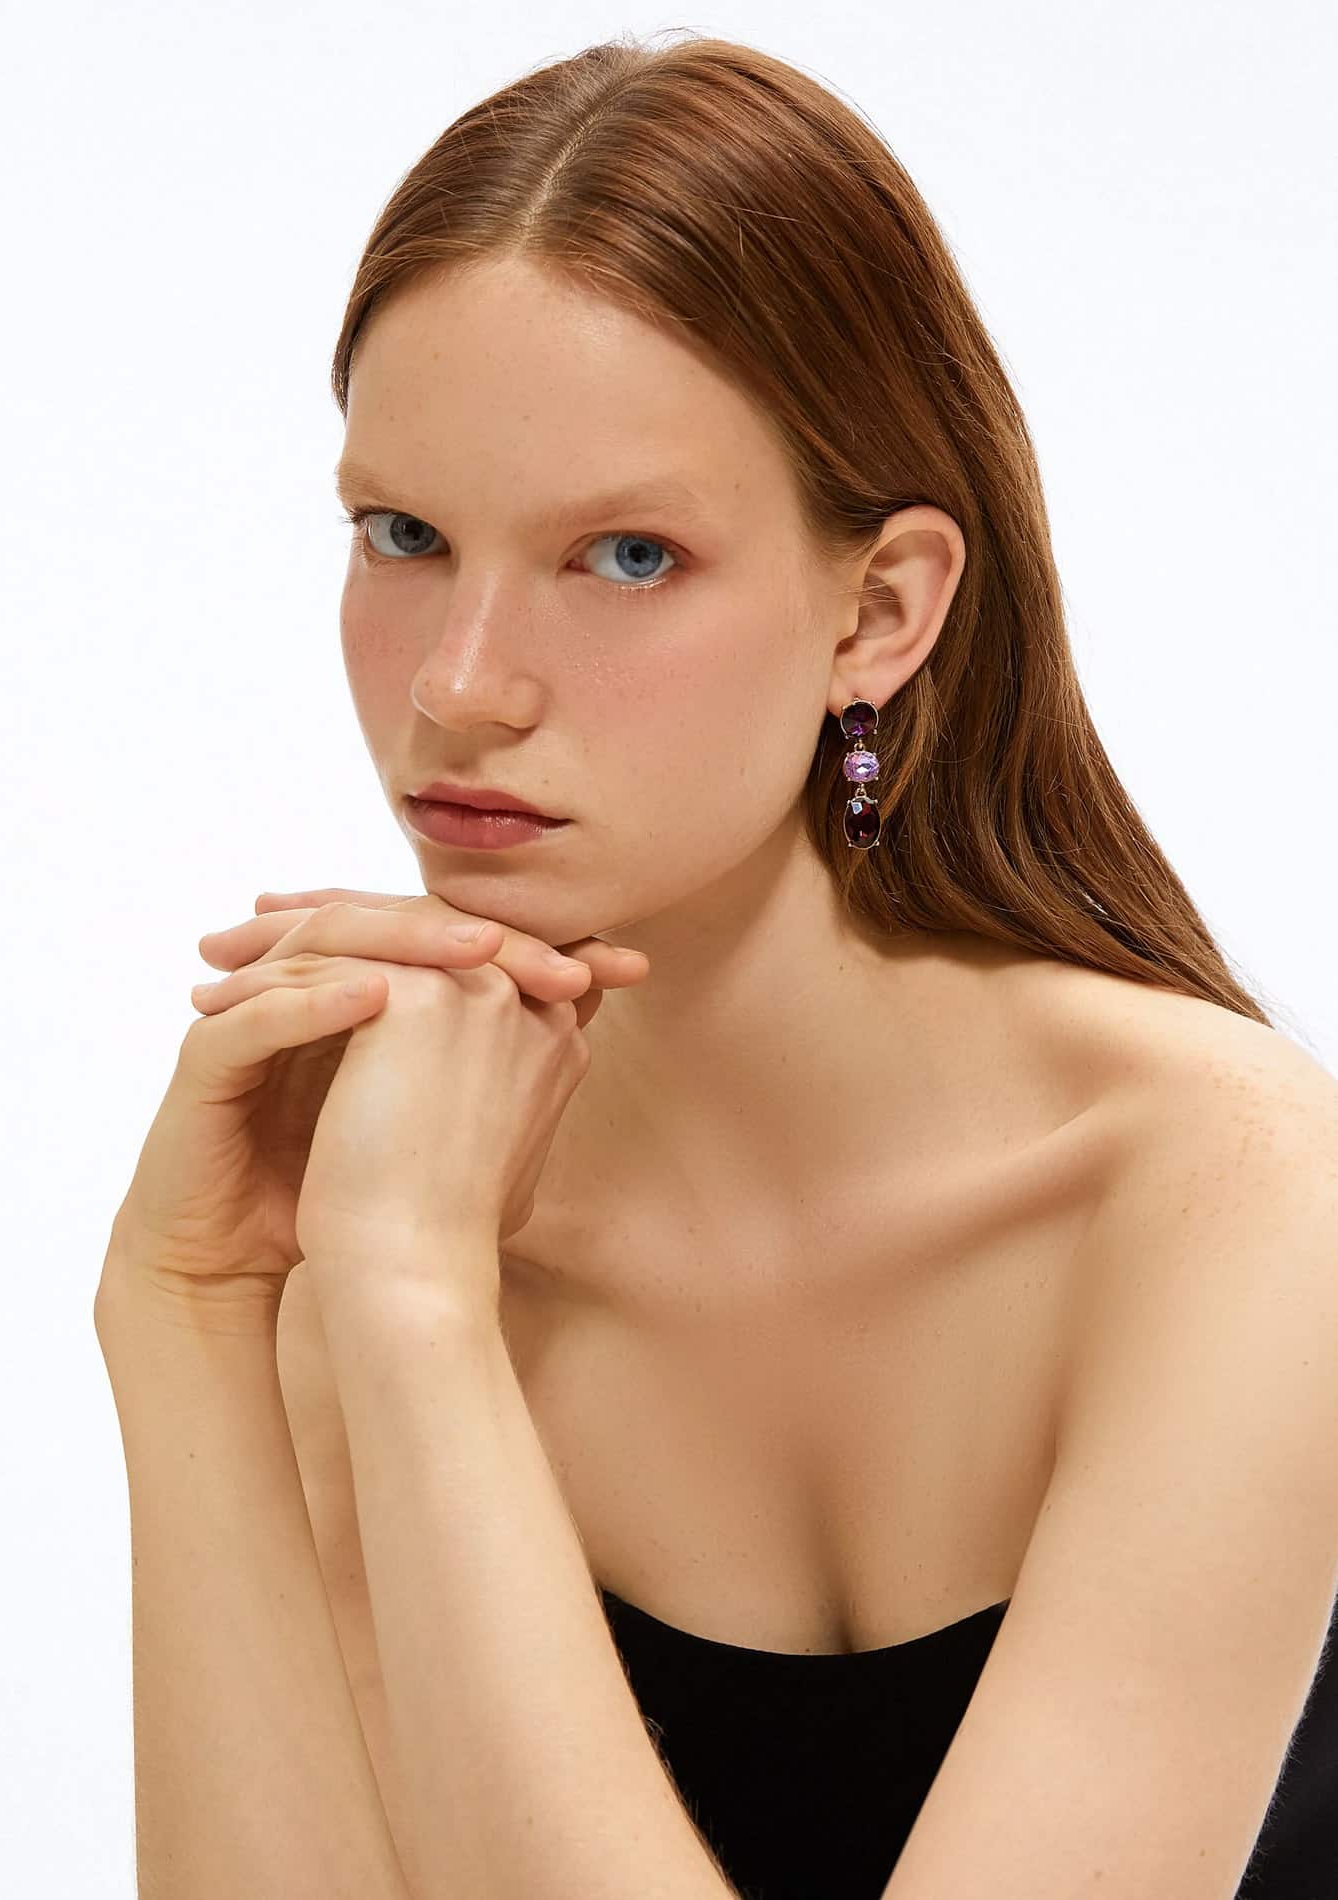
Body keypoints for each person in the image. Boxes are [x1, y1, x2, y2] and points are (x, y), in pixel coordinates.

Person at [121, 30, 1338, 1900]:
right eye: (403, 535)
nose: (460, 683)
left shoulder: (1231, 1189)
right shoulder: (384, 1210)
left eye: (625, 556)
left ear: (880, 609)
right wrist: (195, 1319)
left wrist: (423, 1317)